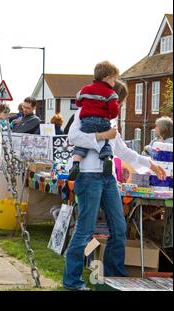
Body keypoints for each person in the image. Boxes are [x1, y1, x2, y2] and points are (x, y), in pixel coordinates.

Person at [63, 80, 167, 291]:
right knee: (85, 230)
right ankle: (72, 282)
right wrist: (101, 136)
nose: (117, 107)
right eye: (118, 102)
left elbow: (122, 150)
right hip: (88, 175)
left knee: (119, 228)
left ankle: (113, 276)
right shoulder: (83, 111)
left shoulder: (111, 118)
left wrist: (151, 164)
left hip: (108, 178)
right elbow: (73, 137)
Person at [68, 61, 120, 181]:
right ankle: (107, 158)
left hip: (87, 120)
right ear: (106, 78)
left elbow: (78, 101)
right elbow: (113, 109)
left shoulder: (85, 89)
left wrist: (85, 104)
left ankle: (75, 164)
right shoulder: (111, 93)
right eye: (114, 80)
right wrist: (111, 115)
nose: (114, 83)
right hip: (103, 121)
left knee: (81, 145)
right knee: (106, 142)